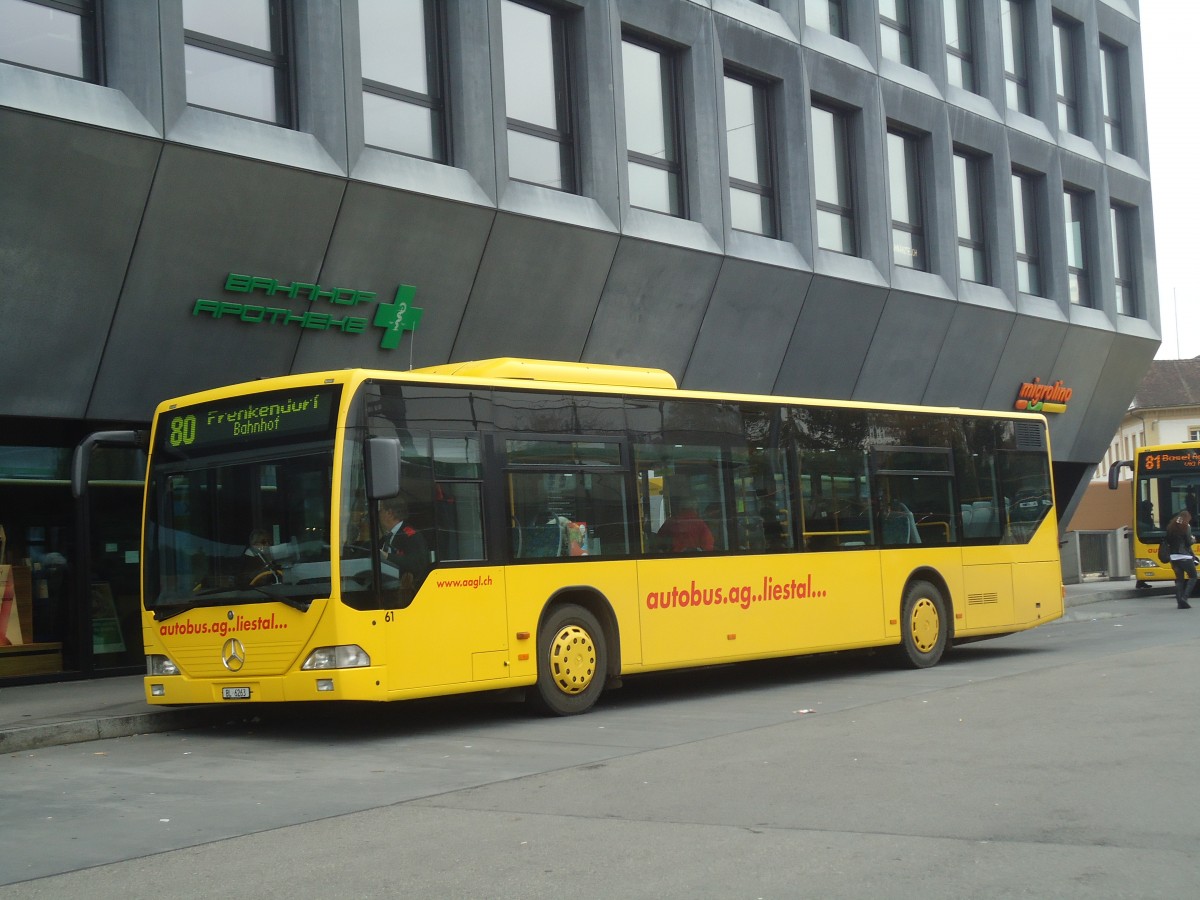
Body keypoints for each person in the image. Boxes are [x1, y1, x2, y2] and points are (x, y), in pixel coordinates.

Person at [378, 497, 430, 589]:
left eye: (381, 510)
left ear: (389, 513)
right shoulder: (389, 535)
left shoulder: (411, 536)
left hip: (404, 588)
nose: (379, 514)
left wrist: (387, 557)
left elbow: (418, 563)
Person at [1165, 509, 1197, 610]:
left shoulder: (1171, 527)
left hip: (1173, 557)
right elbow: (1188, 542)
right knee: (1193, 576)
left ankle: (1179, 602)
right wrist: (1193, 540)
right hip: (1184, 556)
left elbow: (1168, 540)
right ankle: (1184, 597)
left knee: (1179, 580)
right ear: (1187, 518)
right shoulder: (1186, 526)